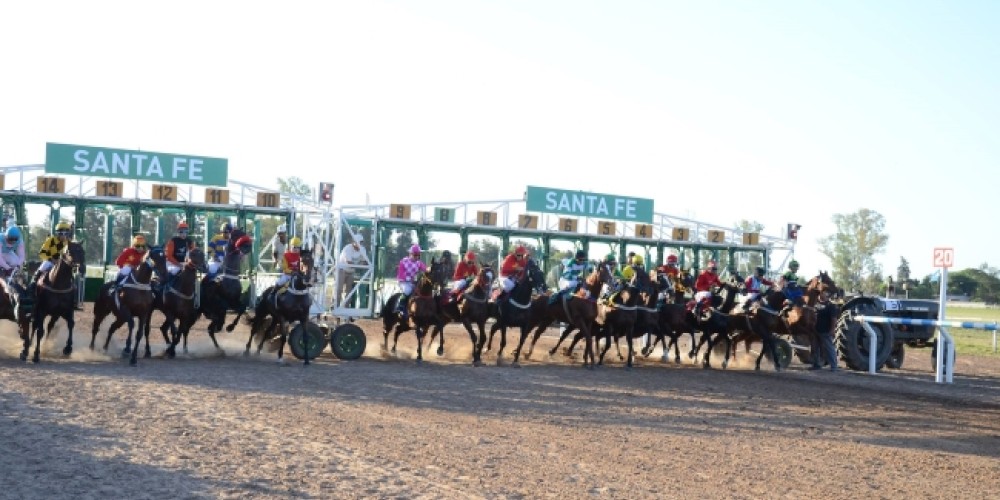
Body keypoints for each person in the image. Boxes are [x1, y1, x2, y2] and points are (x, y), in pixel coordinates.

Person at [28, 221, 75, 296]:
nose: (63, 236)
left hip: (62, 264)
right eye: (61, 233)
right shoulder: (51, 240)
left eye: (66, 233)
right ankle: (32, 286)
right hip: (50, 261)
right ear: (57, 233)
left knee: (71, 276)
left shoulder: (69, 242)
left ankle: (73, 295)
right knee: (41, 269)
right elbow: (42, 253)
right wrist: (50, 259)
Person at [809, 290, 839, 371]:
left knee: (829, 348)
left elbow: (834, 319)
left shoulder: (831, 306)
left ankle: (834, 366)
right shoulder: (815, 304)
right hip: (815, 330)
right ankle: (816, 364)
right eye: (821, 293)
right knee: (815, 348)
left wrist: (832, 330)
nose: (821, 294)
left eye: (823, 293)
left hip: (825, 330)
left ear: (826, 294)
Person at [336, 234, 368, 307]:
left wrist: (361, 264)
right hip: (342, 270)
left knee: (349, 291)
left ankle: (346, 307)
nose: (360, 244)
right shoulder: (347, 248)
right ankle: (335, 306)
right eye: (359, 242)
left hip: (351, 272)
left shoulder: (363, 249)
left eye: (361, 242)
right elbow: (349, 262)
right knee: (339, 289)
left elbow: (366, 262)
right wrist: (360, 264)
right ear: (354, 242)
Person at [395, 244, 427, 317]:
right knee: (407, 290)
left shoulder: (419, 263)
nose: (417, 257)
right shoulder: (403, 261)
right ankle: (400, 306)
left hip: (413, 282)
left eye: (418, 255)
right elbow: (401, 274)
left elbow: (425, 269)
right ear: (410, 254)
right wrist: (410, 279)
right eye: (415, 255)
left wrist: (430, 269)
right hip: (403, 281)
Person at [164, 221, 195, 286]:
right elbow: (169, 256)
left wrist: (189, 263)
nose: (184, 234)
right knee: (173, 272)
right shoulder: (172, 241)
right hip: (172, 263)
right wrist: (179, 265)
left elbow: (193, 254)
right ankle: (165, 288)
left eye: (186, 232)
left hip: (185, 263)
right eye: (181, 232)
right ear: (178, 232)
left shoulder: (190, 241)